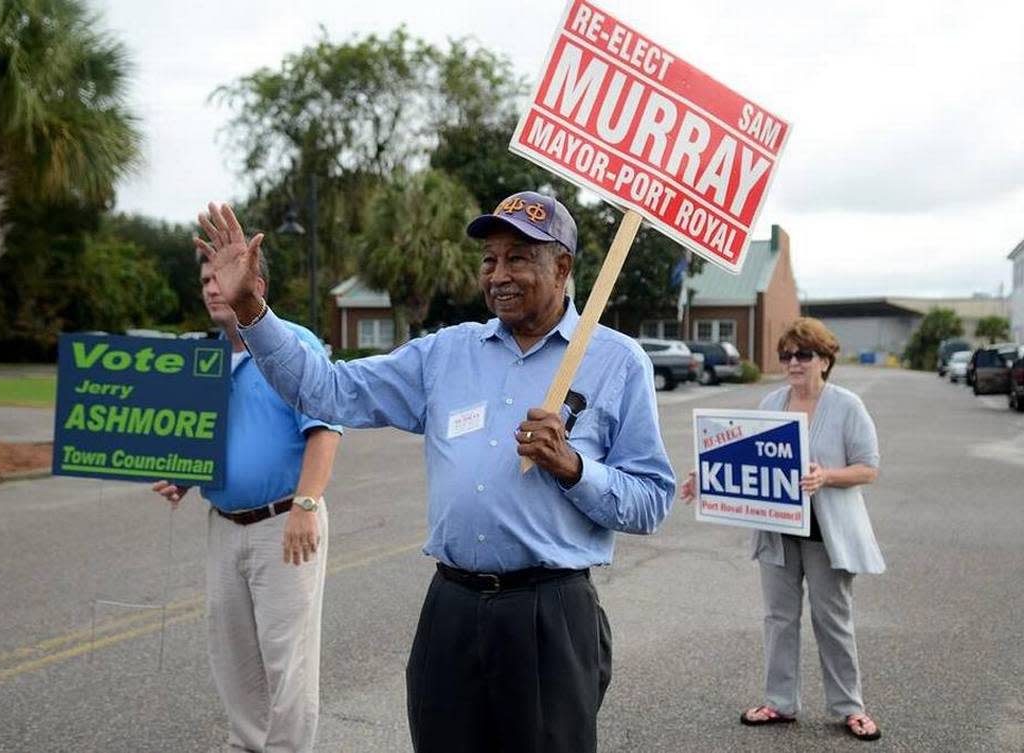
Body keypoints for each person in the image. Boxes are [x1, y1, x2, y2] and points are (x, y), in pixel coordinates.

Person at [193, 193, 675, 753]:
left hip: (550, 613)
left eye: (518, 258)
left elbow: (651, 501)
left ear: (562, 266)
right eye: (489, 260)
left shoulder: (617, 361)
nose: (498, 274)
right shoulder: (446, 353)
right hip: (452, 608)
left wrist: (573, 468)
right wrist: (252, 309)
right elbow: (328, 391)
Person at [151, 245, 342, 753]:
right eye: (206, 278)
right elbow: (200, 438)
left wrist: (306, 505)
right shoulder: (202, 358)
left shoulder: (293, 344)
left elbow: (325, 429)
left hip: (285, 523)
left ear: (256, 283)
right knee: (233, 656)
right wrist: (184, 476)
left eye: (222, 275)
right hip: (223, 524)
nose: (213, 286)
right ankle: (247, 745)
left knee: (288, 659)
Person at [681, 317, 884, 742]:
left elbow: (868, 469)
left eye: (803, 354)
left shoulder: (847, 406)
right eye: (787, 355)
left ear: (825, 361)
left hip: (827, 535)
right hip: (778, 532)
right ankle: (780, 702)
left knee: (833, 620)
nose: (794, 362)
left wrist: (825, 477)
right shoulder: (772, 402)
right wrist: (706, 478)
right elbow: (746, 457)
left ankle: (850, 707)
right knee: (778, 619)